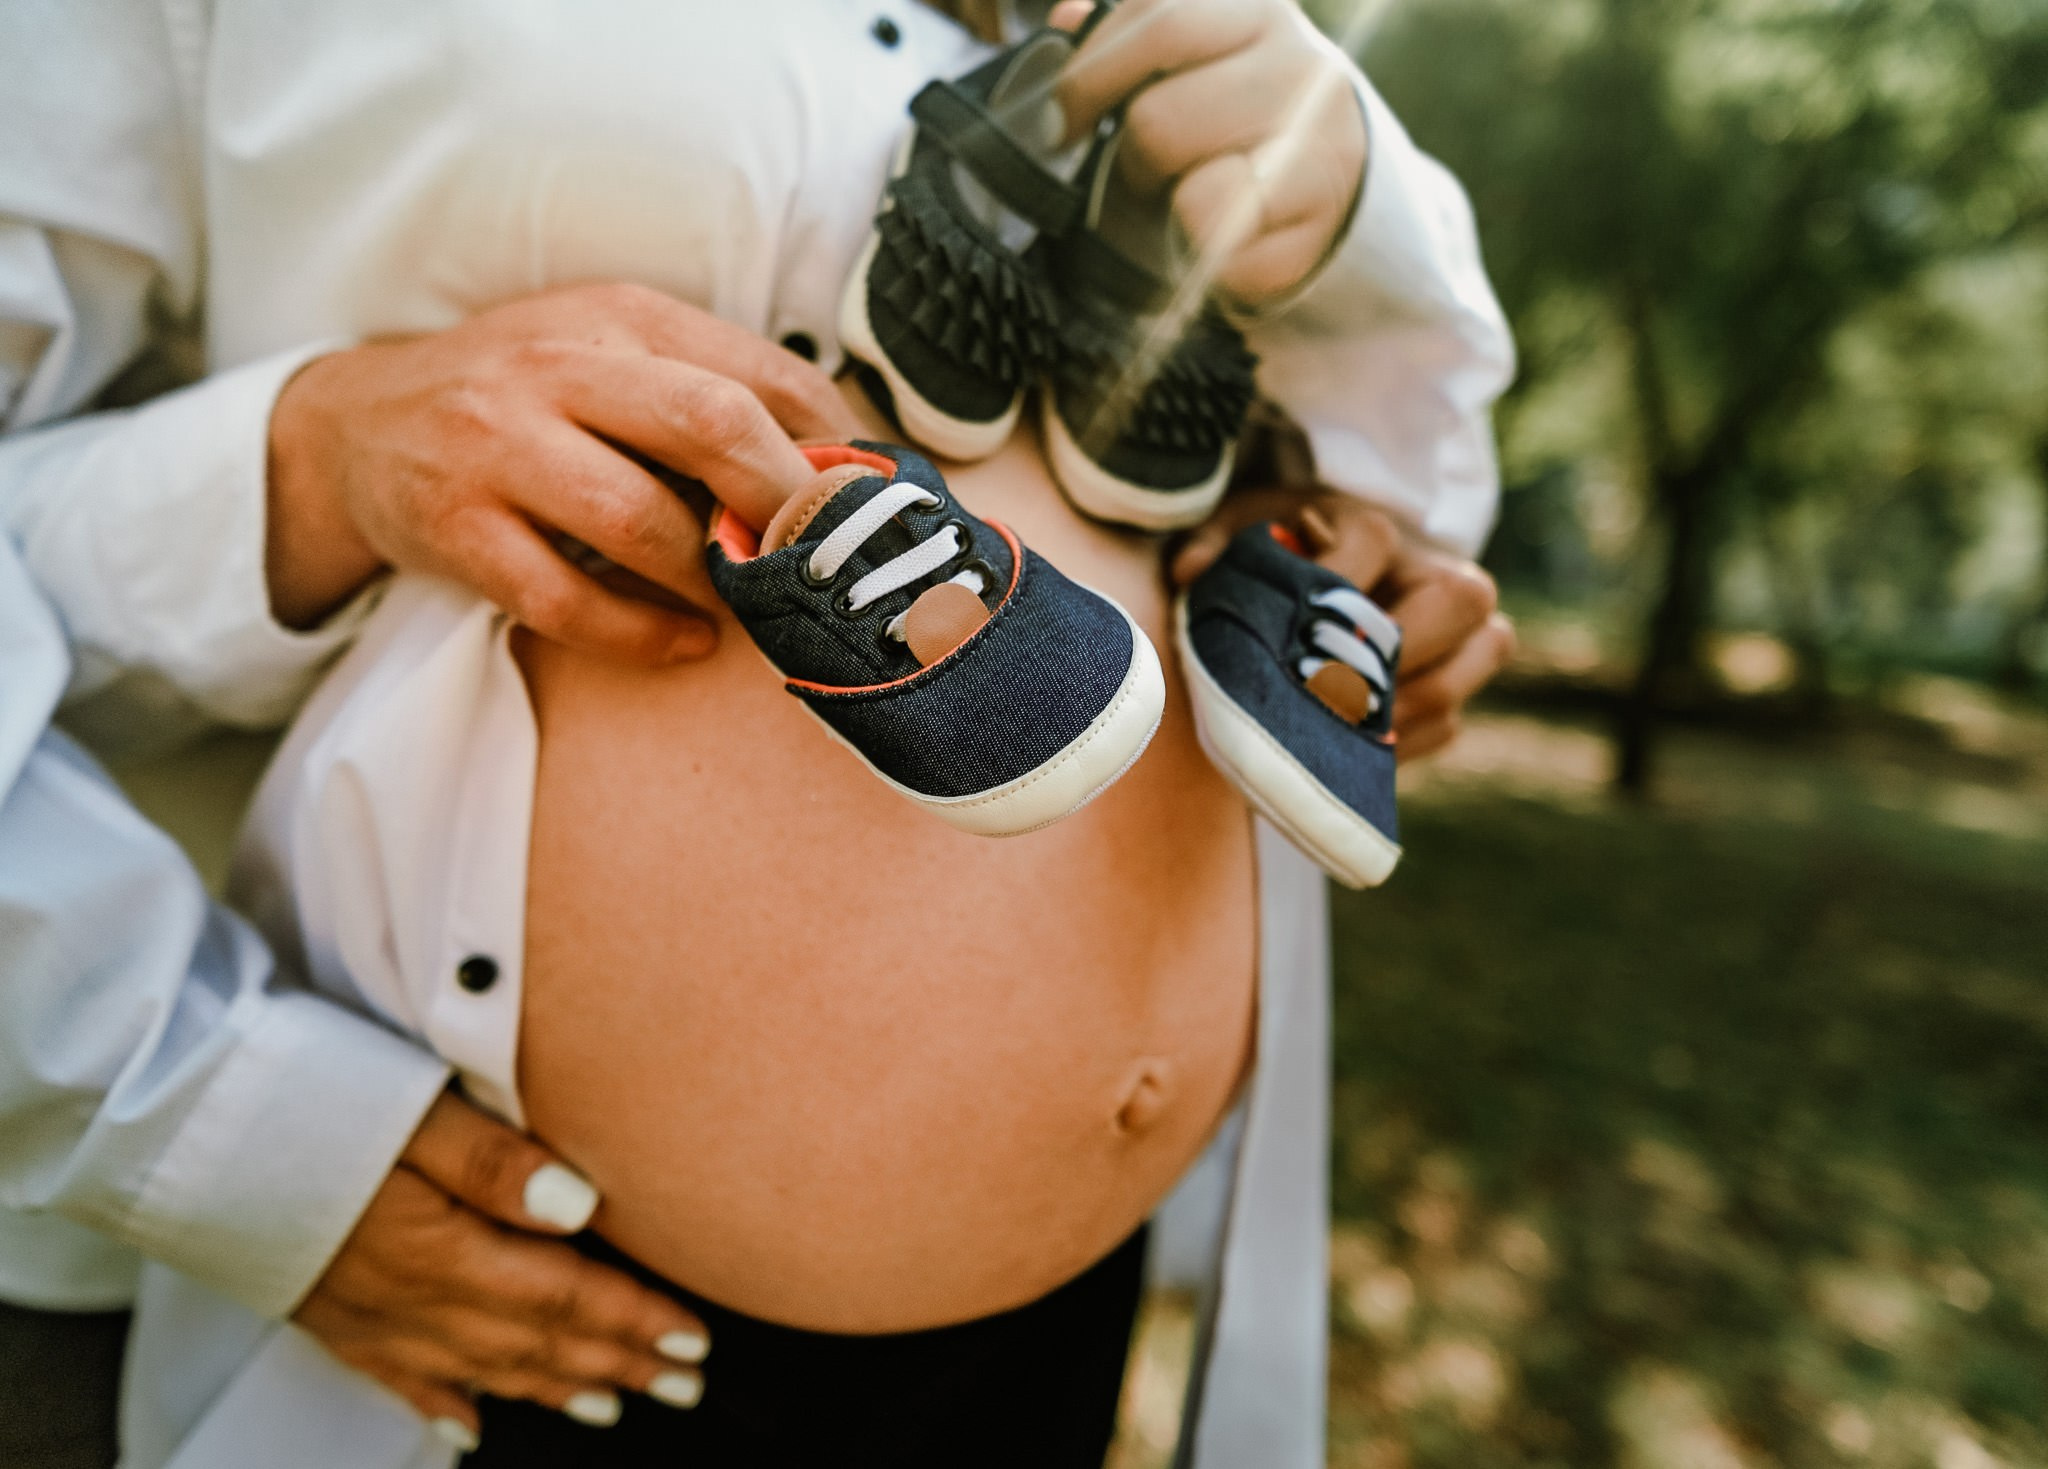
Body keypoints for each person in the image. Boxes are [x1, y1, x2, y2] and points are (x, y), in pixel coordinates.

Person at [0, 1, 1513, 1466]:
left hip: (1053, 1325)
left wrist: (1362, 314)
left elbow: (1403, 453)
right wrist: (316, 457)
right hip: (489, 1265)